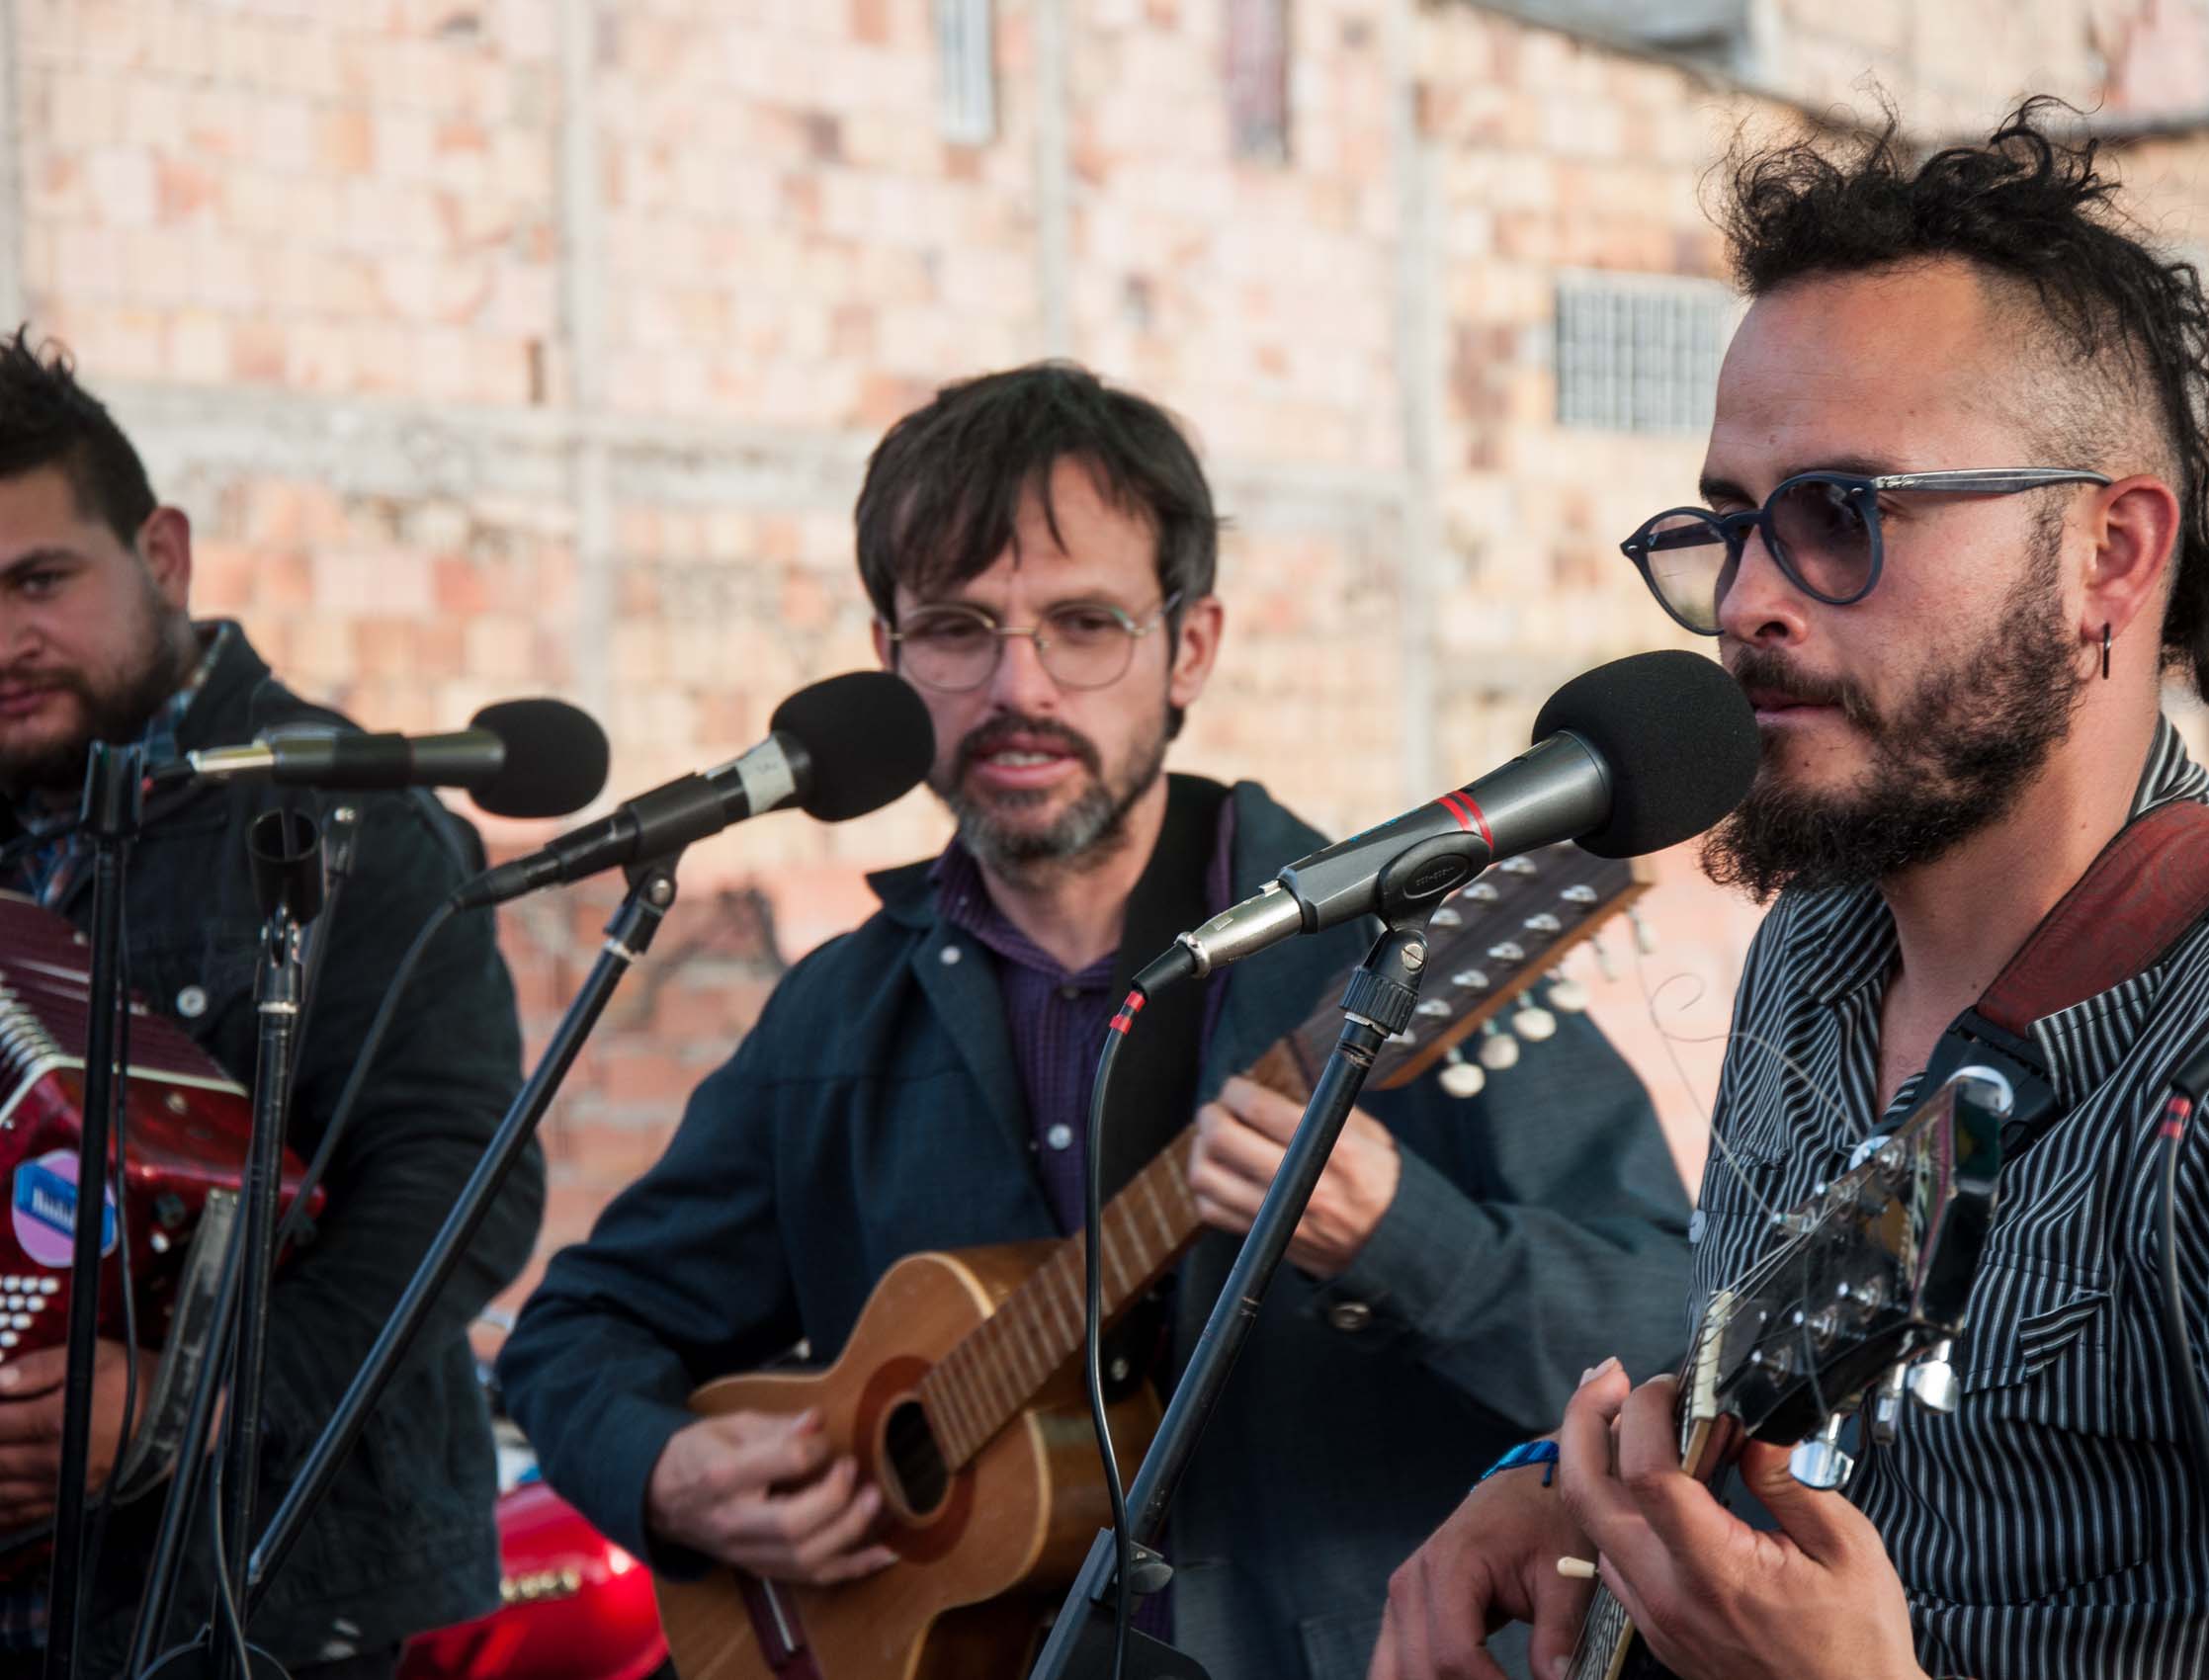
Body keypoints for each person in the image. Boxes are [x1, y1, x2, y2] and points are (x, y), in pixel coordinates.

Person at [1373, 101, 2209, 1680]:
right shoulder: (1816, 943)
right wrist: (1563, 1491)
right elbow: (1787, 1403)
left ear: (2109, 553)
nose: (1750, 599)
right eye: (1730, 525)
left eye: (1843, 514)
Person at [496, 362, 1697, 1680]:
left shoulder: (1394, 953)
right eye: (957, 628)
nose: (1020, 685)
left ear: (1191, 647)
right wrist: (663, 1470)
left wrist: (1407, 1239)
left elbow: (1676, 1343)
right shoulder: (839, 1015)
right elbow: (575, 1332)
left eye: (1084, 624)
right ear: (890, 660)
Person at [0, 331, 538, 1677]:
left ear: (164, 555)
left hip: (268, 1598)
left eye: (39, 581)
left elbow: (463, 1190)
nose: (6, 640)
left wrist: (181, 1401)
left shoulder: (352, 816)